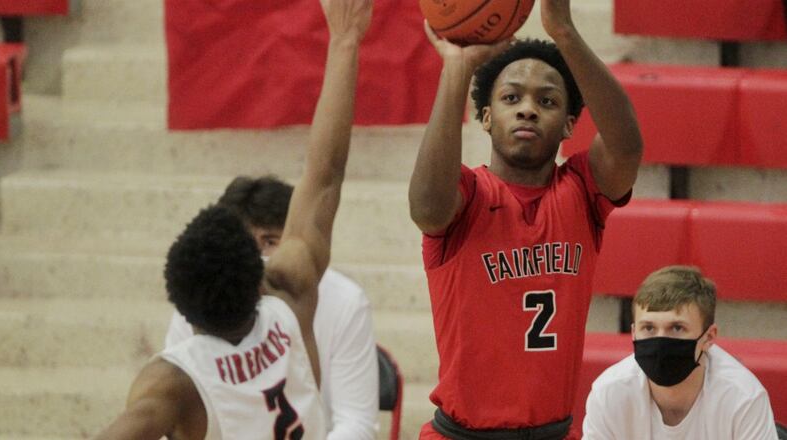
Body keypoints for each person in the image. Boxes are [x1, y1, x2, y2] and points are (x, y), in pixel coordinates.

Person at [94, 0, 373, 437]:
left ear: (182, 307)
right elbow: (324, 175)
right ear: (257, 279)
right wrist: (345, 40)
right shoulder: (291, 298)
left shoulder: (175, 382)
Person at [408, 1, 643, 438]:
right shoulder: (467, 195)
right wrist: (457, 68)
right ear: (485, 117)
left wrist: (565, 32)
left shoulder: (581, 192)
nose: (528, 109)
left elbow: (627, 146)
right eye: (511, 97)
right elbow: (425, 208)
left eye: (548, 100)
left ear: (570, 124)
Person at [165, 175, 379, 439]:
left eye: (269, 242)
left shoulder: (345, 299)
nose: (257, 258)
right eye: (245, 244)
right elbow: (174, 414)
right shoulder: (199, 301)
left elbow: (357, 423)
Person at [582, 266, 778, 439]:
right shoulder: (609, 392)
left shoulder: (743, 398)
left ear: (709, 337)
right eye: (649, 328)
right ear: (633, 333)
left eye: (676, 328)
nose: (660, 340)